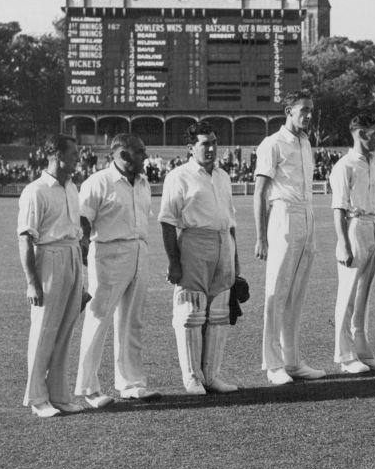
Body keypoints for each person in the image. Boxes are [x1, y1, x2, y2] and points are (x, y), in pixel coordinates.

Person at [75, 133, 160, 407]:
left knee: (132, 320)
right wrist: (84, 254)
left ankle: (131, 383)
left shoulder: (143, 182)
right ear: (123, 155)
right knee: (99, 318)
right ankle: (88, 388)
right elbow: (82, 221)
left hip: (139, 251)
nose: (145, 156)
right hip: (108, 253)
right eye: (140, 152)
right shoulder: (98, 182)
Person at [159, 121, 241, 395]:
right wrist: (174, 261)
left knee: (219, 313)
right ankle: (192, 377)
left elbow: (230, 222)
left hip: (222, 244)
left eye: (214, 142)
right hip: (194, 242)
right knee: (191, 313)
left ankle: (212, 376)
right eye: (205, 143)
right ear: (190, 148)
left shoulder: (223, 176)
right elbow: (168, 221)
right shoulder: (178, 176)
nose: (211, 148)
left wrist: (235, 259)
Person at [255, 93, 326, 384]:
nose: (308, 115)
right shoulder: (272, 143)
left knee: (297, 293)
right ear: (288, 111)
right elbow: (260, 192)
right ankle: (273, 364)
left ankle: (293, 360)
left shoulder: (306, 142)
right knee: (277, 291)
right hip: (283, 215)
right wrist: (261, 237)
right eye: (303, 110)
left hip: (306, 215)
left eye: (311, 110)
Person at [17, 134, 86, 417]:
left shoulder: (72, 187)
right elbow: (25, 239)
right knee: (44, 330)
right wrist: (32, 283)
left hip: (72, 257)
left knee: (65, 331)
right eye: (73, 154)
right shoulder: (35, 191)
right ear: (57, 154)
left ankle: (58, 395)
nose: (78, 159)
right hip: (49, 259)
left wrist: (83, 276)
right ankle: (37, 399)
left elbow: (77, 235)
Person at [329, 113, 375, 373]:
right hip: (354, 227)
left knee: (364, 295)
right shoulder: (345, 165)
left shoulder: (373, 163)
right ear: (360, 134)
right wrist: (343, 243)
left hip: (374, 226)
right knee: (349, 294)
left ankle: (363, 352)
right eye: (374, 133)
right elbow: (338, 208)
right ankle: (345, 356)